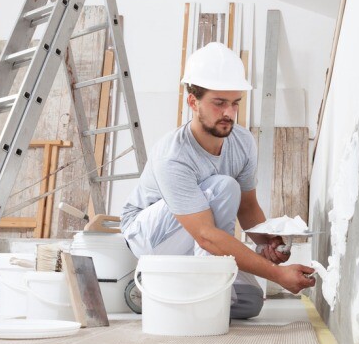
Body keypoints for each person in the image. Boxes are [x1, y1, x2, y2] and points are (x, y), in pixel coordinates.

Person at [120, 42, 316, 319]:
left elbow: (247, 208)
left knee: (249, 303)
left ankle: (176, 289)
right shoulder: (173, 154)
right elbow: (206, 235)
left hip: (201, 236)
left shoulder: (243, 142)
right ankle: (177, 282)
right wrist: (277, 274)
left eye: (235, 103)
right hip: (148, 237)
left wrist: (265, 244)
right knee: (224, 186)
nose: (228, 113)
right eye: (219, 103)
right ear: (193, 102)